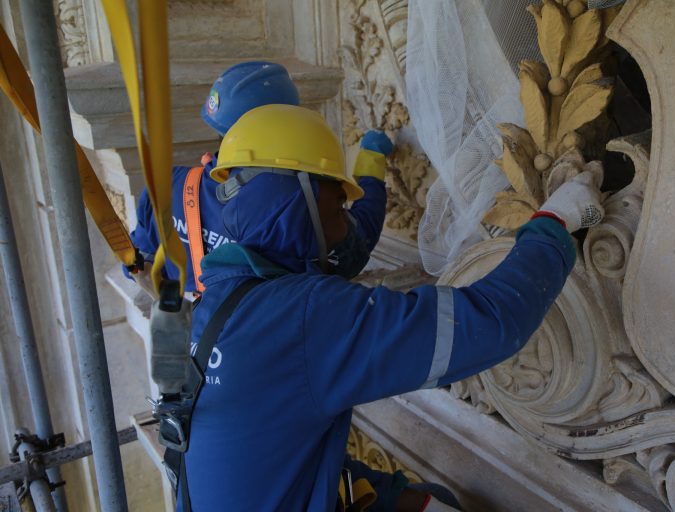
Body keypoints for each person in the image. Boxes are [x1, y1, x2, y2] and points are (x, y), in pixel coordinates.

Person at [181, 104, 604, 511]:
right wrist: (554, 223)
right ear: (299, 199)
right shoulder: (303, 315)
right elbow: (491, 322)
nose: (345, 226)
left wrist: (395, 496)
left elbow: (283, 459)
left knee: (430, 493)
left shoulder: (215, 303)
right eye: (338, 206)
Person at [125, 61, 393, 295]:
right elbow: (357, 243)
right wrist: (371, 161)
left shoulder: (167, 184)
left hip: (200, 333)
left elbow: (139, 263)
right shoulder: (292, 207)